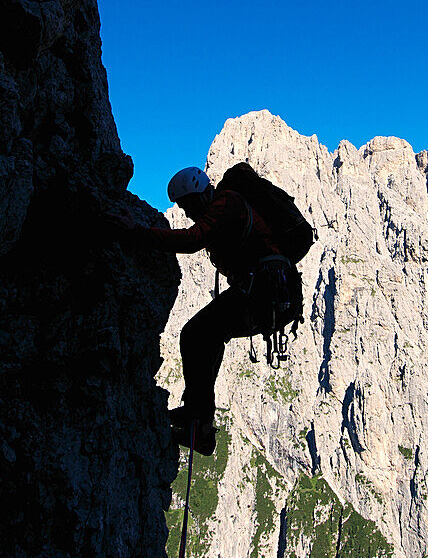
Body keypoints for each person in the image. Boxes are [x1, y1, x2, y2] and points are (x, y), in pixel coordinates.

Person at [110, 167, 301, 455]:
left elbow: (191, 239)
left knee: (195, 334)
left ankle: (198, 424)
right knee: (209, 336)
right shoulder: (226, 208)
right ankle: (199, 419)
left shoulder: (226, 203)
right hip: (269, 292)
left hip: (264, 289)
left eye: (188, 204)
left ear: (201, 194)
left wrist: (137, 231)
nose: (186, 212)